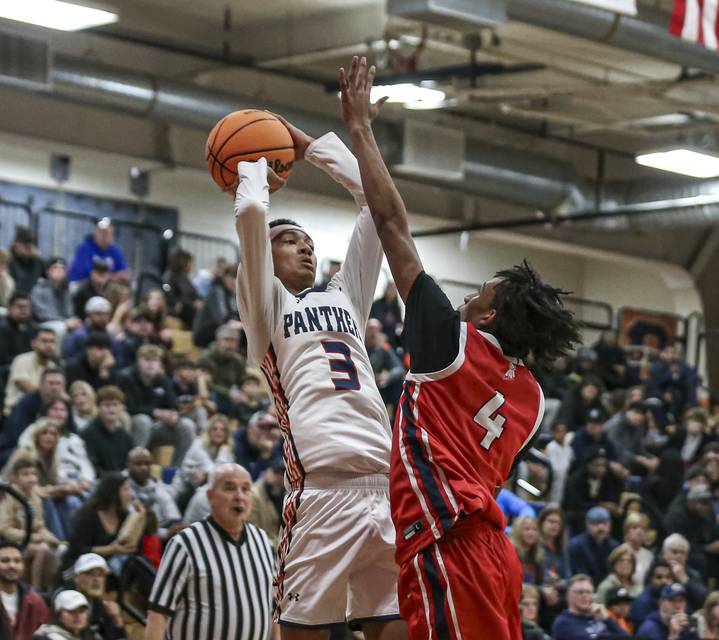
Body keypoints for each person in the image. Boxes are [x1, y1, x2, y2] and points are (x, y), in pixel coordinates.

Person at [341, 55, 581, 640]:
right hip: (493, 554)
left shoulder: (451, 342)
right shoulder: (531, 398)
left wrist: (361, 130)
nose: (466, 297)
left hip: (450, 545)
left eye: (478, 292)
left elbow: (394, 226)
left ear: (489, 313)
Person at [234, 86, 406, 634]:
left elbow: (374, 205)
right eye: (289, 241)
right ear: (266, 252)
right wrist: (254, 162)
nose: (304, 246)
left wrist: (313, 147)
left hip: (384, 485)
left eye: (309, 240)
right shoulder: (265, 307)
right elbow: (256, 211)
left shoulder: (345, 297)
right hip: (321, 491)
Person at [145, 463, 276, 640]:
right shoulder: (185, 544)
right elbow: (158, 613)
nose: (239, 496)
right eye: (230, 488)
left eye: (246, 489)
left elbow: (274, 608)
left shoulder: (263, 542)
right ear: (210, 496)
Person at [116, 345, 194, 465]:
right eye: (147, 360)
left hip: (156, 427)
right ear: (138, 362)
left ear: (160, 364)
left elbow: (174, 404)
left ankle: (176, 471)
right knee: (143, 420)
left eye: (155, 360)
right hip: (132, 427)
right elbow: (130, 408)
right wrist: (156, 412)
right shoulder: (126, 377)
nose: (151, 364)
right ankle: (135, 465)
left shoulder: (162, 379)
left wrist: (173, 415)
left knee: (187, 425)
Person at [0, 457, 63, 590]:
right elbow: (4, 529)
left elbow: (39, 526)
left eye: (34, 474)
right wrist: (28, 536)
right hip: (10, 543)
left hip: (30, 541)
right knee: (42, 549)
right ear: (15, 477)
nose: (31, 478)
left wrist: (52, 538)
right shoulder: (10, 496)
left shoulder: (35, 497)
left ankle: (51, 587)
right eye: (25, 474)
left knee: (58, 549)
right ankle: (35, 588)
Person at [61, 473, 140, 574]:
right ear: (113, 492)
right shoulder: (88, 515)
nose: (129, 494)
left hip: (109, 568)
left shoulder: (123, 515)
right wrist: (111, 549)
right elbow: (78, 549)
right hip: (81, 568)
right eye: (125, 489)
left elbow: (132, 545)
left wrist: (138, 517)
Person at [61, 553, 126, 640]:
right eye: (90, 574)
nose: (97, 580)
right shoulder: (62, 601)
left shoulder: (100, 605)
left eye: (101, 575)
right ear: (76, 577)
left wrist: (116, 619)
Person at [126, 448, 184, 541]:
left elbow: (172, 512)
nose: (144, 467)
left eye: (147, 464)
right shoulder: (122, 486)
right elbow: (132, 523)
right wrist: (165, 533)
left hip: (161, 530)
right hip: (136, 536)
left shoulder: (155, 483)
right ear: (128, 465)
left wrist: (175, 527)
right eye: (138, 464)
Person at [562, 448, 624, 533]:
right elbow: (574, 505)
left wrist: (612, 507)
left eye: (603, 466)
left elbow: (615, 495)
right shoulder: (575, 480)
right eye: (596, 465)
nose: (601, 469)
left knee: (618, 518)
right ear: (588, 465)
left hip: (604, 514)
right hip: (579, 513)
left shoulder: (611, 478)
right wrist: (599, 505)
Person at [0, 542, 51, 640]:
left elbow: (46, 632)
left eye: (17, 561)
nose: (12, 566)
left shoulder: (35, 601)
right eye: (5, 561)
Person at [4, 326, 59, 414]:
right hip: (16, 411)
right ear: (34, 343)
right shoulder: (21, 360)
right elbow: (25, 387)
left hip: (42, 413)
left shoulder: (53, 367)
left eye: (52, 341)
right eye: (44, 341)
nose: (49, 345)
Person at [550, 574, 626, 640]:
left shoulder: (599, 617)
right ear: (568, 595)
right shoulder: (563, 623)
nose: (584, 595)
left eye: (588, 592)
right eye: (580, 592)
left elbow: (626, 638)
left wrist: (607, 619)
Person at [80, 385, 132, 474]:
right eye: (107, 405)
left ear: (122, 407)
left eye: (115, 405)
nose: (111, 410)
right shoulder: (88, 434)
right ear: (98, 407)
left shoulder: (125, 436)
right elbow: (91, 467)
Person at [568, 507, 620, 587]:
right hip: (584, 587)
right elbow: (580, 574)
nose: (601, 527)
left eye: (604, 523)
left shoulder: (615, 546)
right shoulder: (576, 545)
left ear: (610, 525)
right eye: (595, 523)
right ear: (587, 524)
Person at [68, 218, 130, 283]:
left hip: (105, 287)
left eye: (107, 233)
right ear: (96, 233)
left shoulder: (115, 251)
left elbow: (123, 271)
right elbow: (83, 272)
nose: (104, 236)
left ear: (112, 235)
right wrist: (111, 277)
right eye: (101, 232)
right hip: (81, 285)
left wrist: (121, 275)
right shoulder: (84, 248)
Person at [191, 264, 239, 348]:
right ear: (225, 278)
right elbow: (222, 318)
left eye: (237, 278)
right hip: (204, 333)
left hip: (217, 329)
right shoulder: (217, 291)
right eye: (232, 277)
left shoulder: (232, 294)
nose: (235, 282)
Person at [31, 257, 81, 336]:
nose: (59, 271)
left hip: (64, 323)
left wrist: (72, 321)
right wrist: (65, 321)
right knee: (60, 328)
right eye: (55, 268)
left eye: (62, 268)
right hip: (44, 324)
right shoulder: (39, 288)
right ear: (47, 271)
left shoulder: (67, 289)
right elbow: (41, 315)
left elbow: (69, 312)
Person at [659, 534, 708, 613]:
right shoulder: (657, 571)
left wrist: (685, 579)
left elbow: (704, 599)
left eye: (683, 553)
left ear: (687, 557)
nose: (679, 556)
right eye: (674, 552)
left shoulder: (693, 574)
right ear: (664, 554)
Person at [630, 560, 675, 626]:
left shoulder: (674, 596)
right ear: (650, 579)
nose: (664, 581)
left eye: (668, 577)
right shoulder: (641, 603)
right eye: (659, 577)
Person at [0, 292, 37, 370]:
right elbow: (3, 358)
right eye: (19, 306)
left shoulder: (32, 328)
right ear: (9, 308)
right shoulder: (3, 328)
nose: (23, 310)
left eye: (26, 307)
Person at [71, 258, 113, 323]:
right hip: (85, 323)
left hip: (105, 322)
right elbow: (79, 315)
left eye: (104, 273)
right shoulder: (82, 290)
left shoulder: (111, 288)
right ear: (92, 273)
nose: (102, 276)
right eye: (99, 273)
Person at [7, 226, 45, 295]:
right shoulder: (8, 261)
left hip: (32, 301)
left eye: (31, 244)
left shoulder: (38, 263)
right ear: (16, 244)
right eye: (25, 244)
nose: (29, 247)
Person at [544, 421, 573, 504]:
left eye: (564, 431)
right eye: (558, 431)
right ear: (553, 433)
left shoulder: (568, 447)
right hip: (553, 479)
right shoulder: (551, 446)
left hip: (566, 480)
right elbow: (554, 468)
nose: (562, 434)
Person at [623, 512, 654, 588]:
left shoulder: (649, 556)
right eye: (634, 527)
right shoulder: (619, 552)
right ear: (627, 531)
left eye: (644, 528)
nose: (639, 531)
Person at [509, 515, 542, 585]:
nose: (531, 533)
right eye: (527, 529)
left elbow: (540, 582)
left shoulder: (537, 554)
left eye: (535, 529)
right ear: (517, 531)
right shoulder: (510, 552)